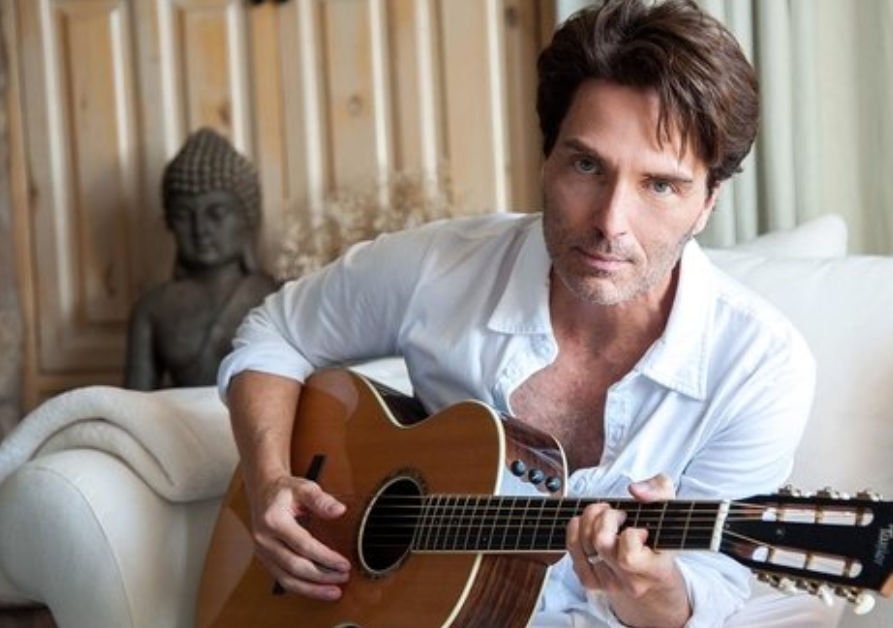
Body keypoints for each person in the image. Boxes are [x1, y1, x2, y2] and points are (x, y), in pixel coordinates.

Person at [218, 1, 829, 626]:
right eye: (586, 165)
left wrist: (651, 588)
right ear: (546, 157)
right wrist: (269, 481)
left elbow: (710, 590)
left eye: (660, 185)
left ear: (708, 202)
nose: (610, 223)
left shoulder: (760, 366)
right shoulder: (440, 267)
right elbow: (275, 333)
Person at [125, 128, 277, 390]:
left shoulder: (279, 296)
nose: (200, 229)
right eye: (184, 216)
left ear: (248, 217)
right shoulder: (152, 309)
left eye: (216, 214)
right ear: (170, 222)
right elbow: (132, 403)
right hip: (176, 417)